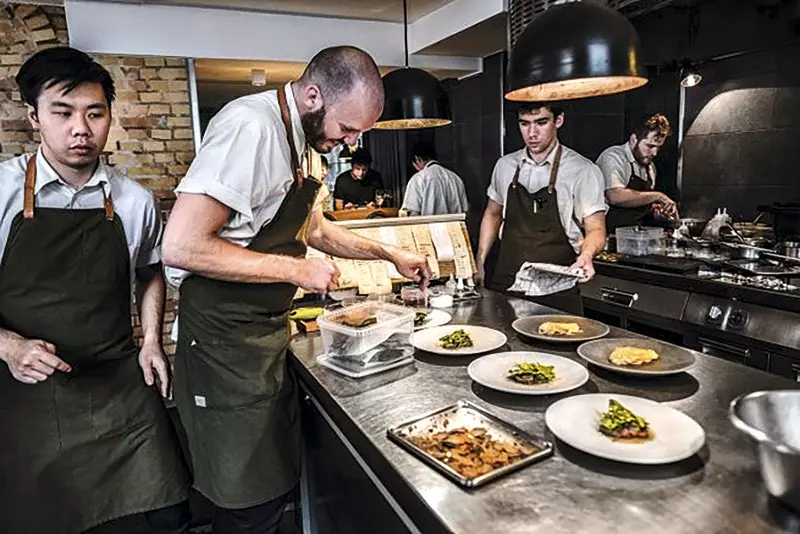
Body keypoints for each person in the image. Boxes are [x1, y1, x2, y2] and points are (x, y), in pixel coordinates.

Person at [161, 46, 430, 534]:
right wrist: (294, 271)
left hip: (261, 335)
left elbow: (318, 230)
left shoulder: (305, 141)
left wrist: (391, 254)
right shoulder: (252, 128)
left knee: (269, 491)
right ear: (312, 95)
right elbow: (180, 246)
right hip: (223, 340)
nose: (350, 143)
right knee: (244, 497)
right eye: (347, 129)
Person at [0, 47, 189, 534]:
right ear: (33, 117)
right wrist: (9, 346)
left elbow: (150, 271)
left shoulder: (133, 200)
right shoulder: (0, 192)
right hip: (24, 394)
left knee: (160, 511)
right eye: (62, 113)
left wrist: (151, 341)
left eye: (94, 112)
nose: (80, 128)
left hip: (115, 386)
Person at [476, 102, 607, 314]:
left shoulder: (583, 170)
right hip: (508, 284)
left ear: (559, 120)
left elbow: (596, 228)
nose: (532, 133)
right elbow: (492, 214)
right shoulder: (505, 165)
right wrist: (480, 261)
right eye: (524, 124)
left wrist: (586, 255)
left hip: (557, 290)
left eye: (541, 122)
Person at [596, 113, 678, 230]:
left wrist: (657, 212)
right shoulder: (614, 157)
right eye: (650, 146)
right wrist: (659, 196)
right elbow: (614, 196)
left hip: (633, 236)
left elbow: (640, 204)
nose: (654, 153)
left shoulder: (650, 168)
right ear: (634, 139)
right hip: (606, 233)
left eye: (658, 148)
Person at [401, 141, 468, 216]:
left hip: (428, 226)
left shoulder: (418, 179)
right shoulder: (455, 178)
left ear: (418, 159)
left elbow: (412, 212)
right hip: (454, 226)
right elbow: (465, 210)